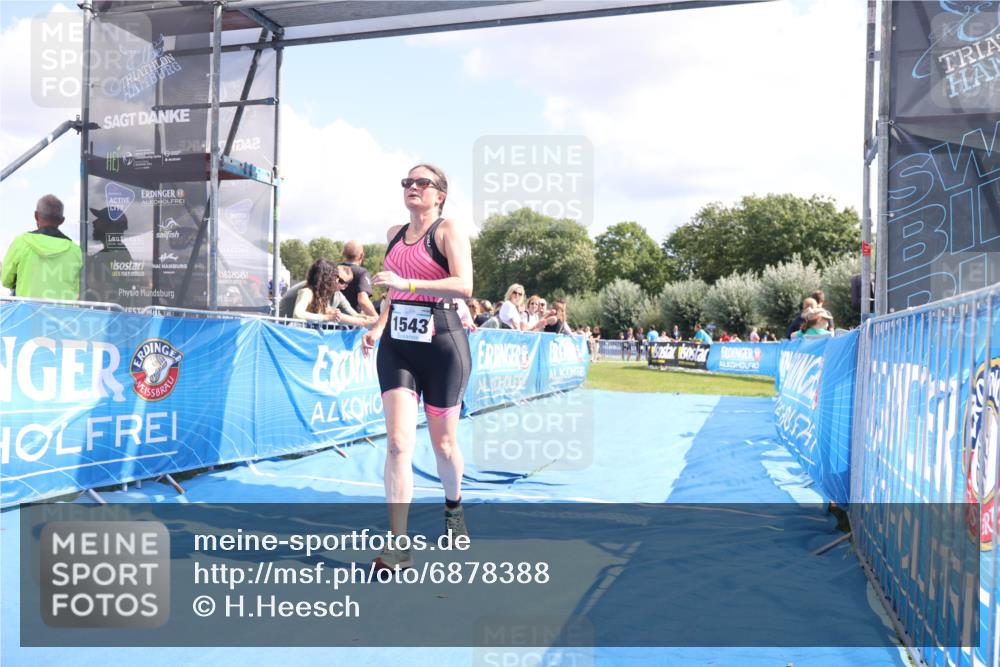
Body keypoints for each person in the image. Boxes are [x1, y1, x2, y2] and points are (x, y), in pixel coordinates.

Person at [362, 164, 473, 571]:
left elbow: (465, 285)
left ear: (439, 194)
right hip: (398, 345)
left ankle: (454, 508)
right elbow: (391, 291)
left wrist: (408, 284)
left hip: (443, 341)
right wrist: (377, 325)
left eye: (421, 183)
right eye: (407, 182)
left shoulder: (448, 231)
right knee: (398, 443)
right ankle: (398, 545)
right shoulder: (394, 234)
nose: (412, 187)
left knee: (444, 445)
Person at [2, 195, 82, 300]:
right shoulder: (75, 250)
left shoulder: (21, 242)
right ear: (62, 221)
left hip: (26, 314)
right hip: (63, 315)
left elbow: (6, 280)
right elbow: (78, 288)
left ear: (36, 215)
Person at [293, 259, 375, 327]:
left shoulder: (322, 296)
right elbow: (298, 313)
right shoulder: (307, 292)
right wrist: (327, 317)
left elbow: (334, 314)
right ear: (325, 278)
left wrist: (369, 319)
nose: (336, 280)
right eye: (334, 277)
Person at [339, 240, 378, 317]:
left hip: (330, 321)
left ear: (343, 254)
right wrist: (378, 320)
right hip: (351, 324)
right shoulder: (362, 273)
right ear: (361, 255)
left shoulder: (333, 269)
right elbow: (363, 301)